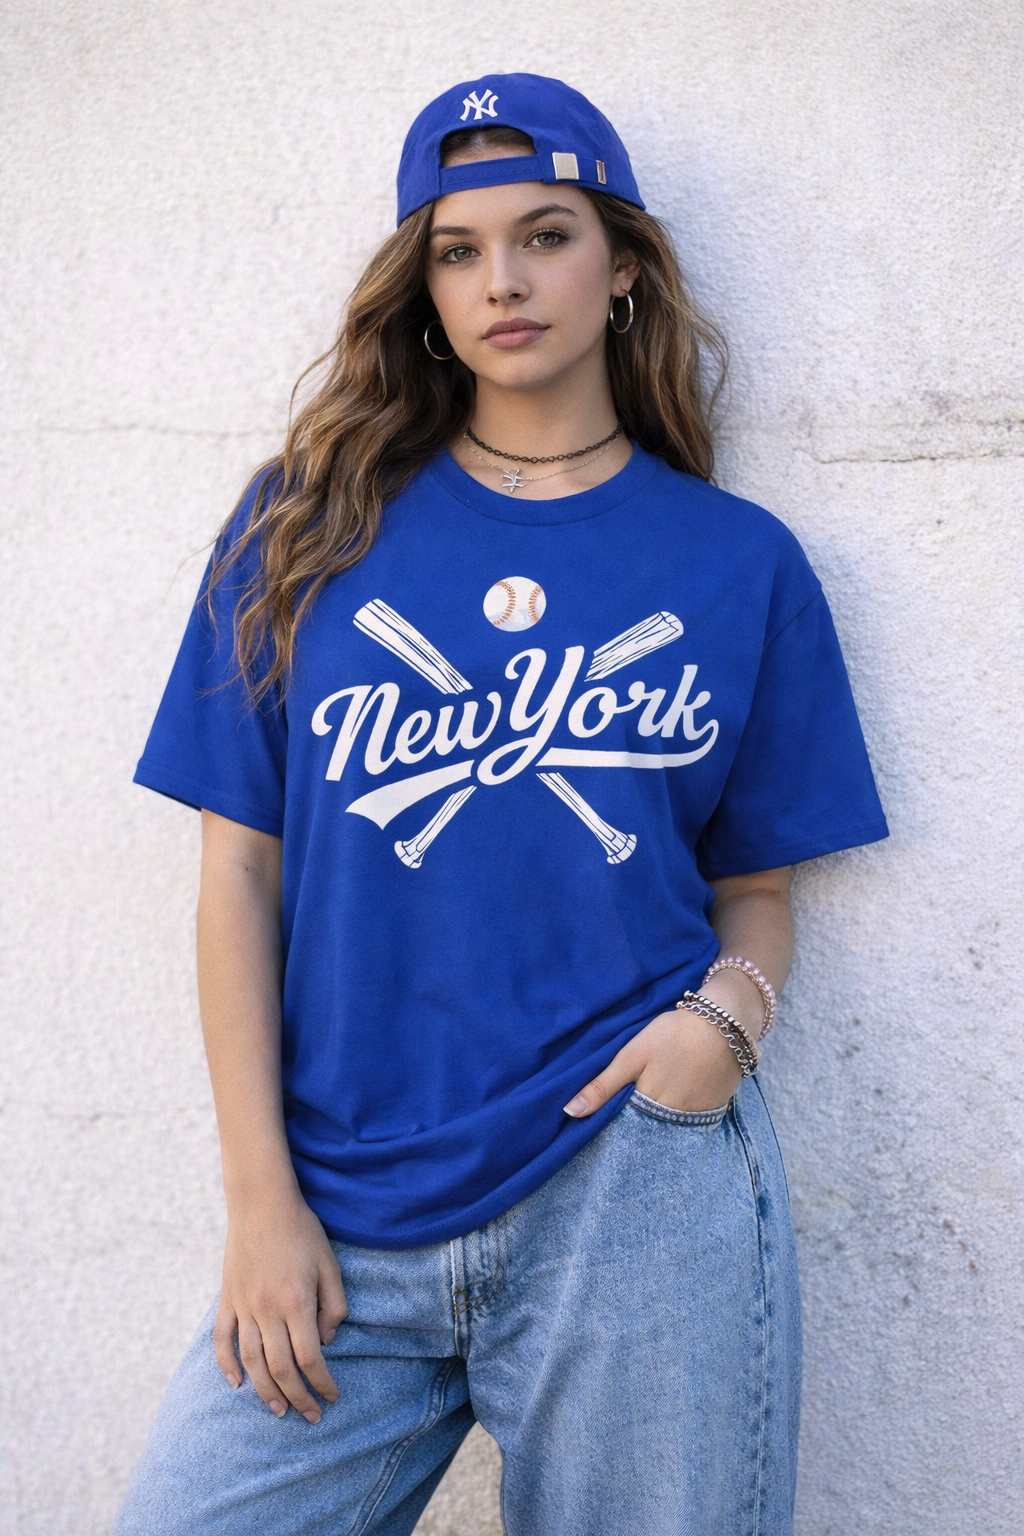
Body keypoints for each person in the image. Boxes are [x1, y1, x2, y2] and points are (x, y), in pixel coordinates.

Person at [113, 72, 888, 1536]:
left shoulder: (737, 562)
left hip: (632, 1183)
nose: (503, 282)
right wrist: (260, 1201)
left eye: (546, 235)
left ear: (624, 268)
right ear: (422, 289)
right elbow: (238, 877)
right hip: (345, 1194)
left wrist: (717, 1034)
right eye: (458, 251)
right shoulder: (305, 526)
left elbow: (759, 893)